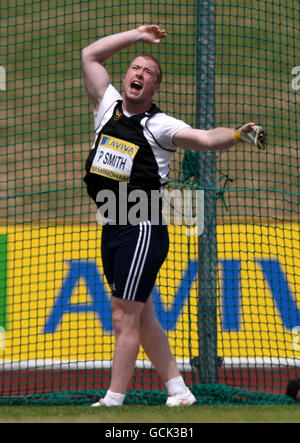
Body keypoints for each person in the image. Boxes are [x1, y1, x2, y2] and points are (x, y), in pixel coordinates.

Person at [81, 24, 266, 407]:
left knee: (123, 316)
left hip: (142, 224)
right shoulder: (107, 106)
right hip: (112, 222)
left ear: (154, 89)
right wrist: (137, 35)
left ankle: (114, 399)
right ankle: (179, 391)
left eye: (148, 74)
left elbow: (203, 138)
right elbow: (90, 55)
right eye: (135, 68)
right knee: (142, 316)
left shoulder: (160, 125)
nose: (139, 74)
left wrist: (235, 134)